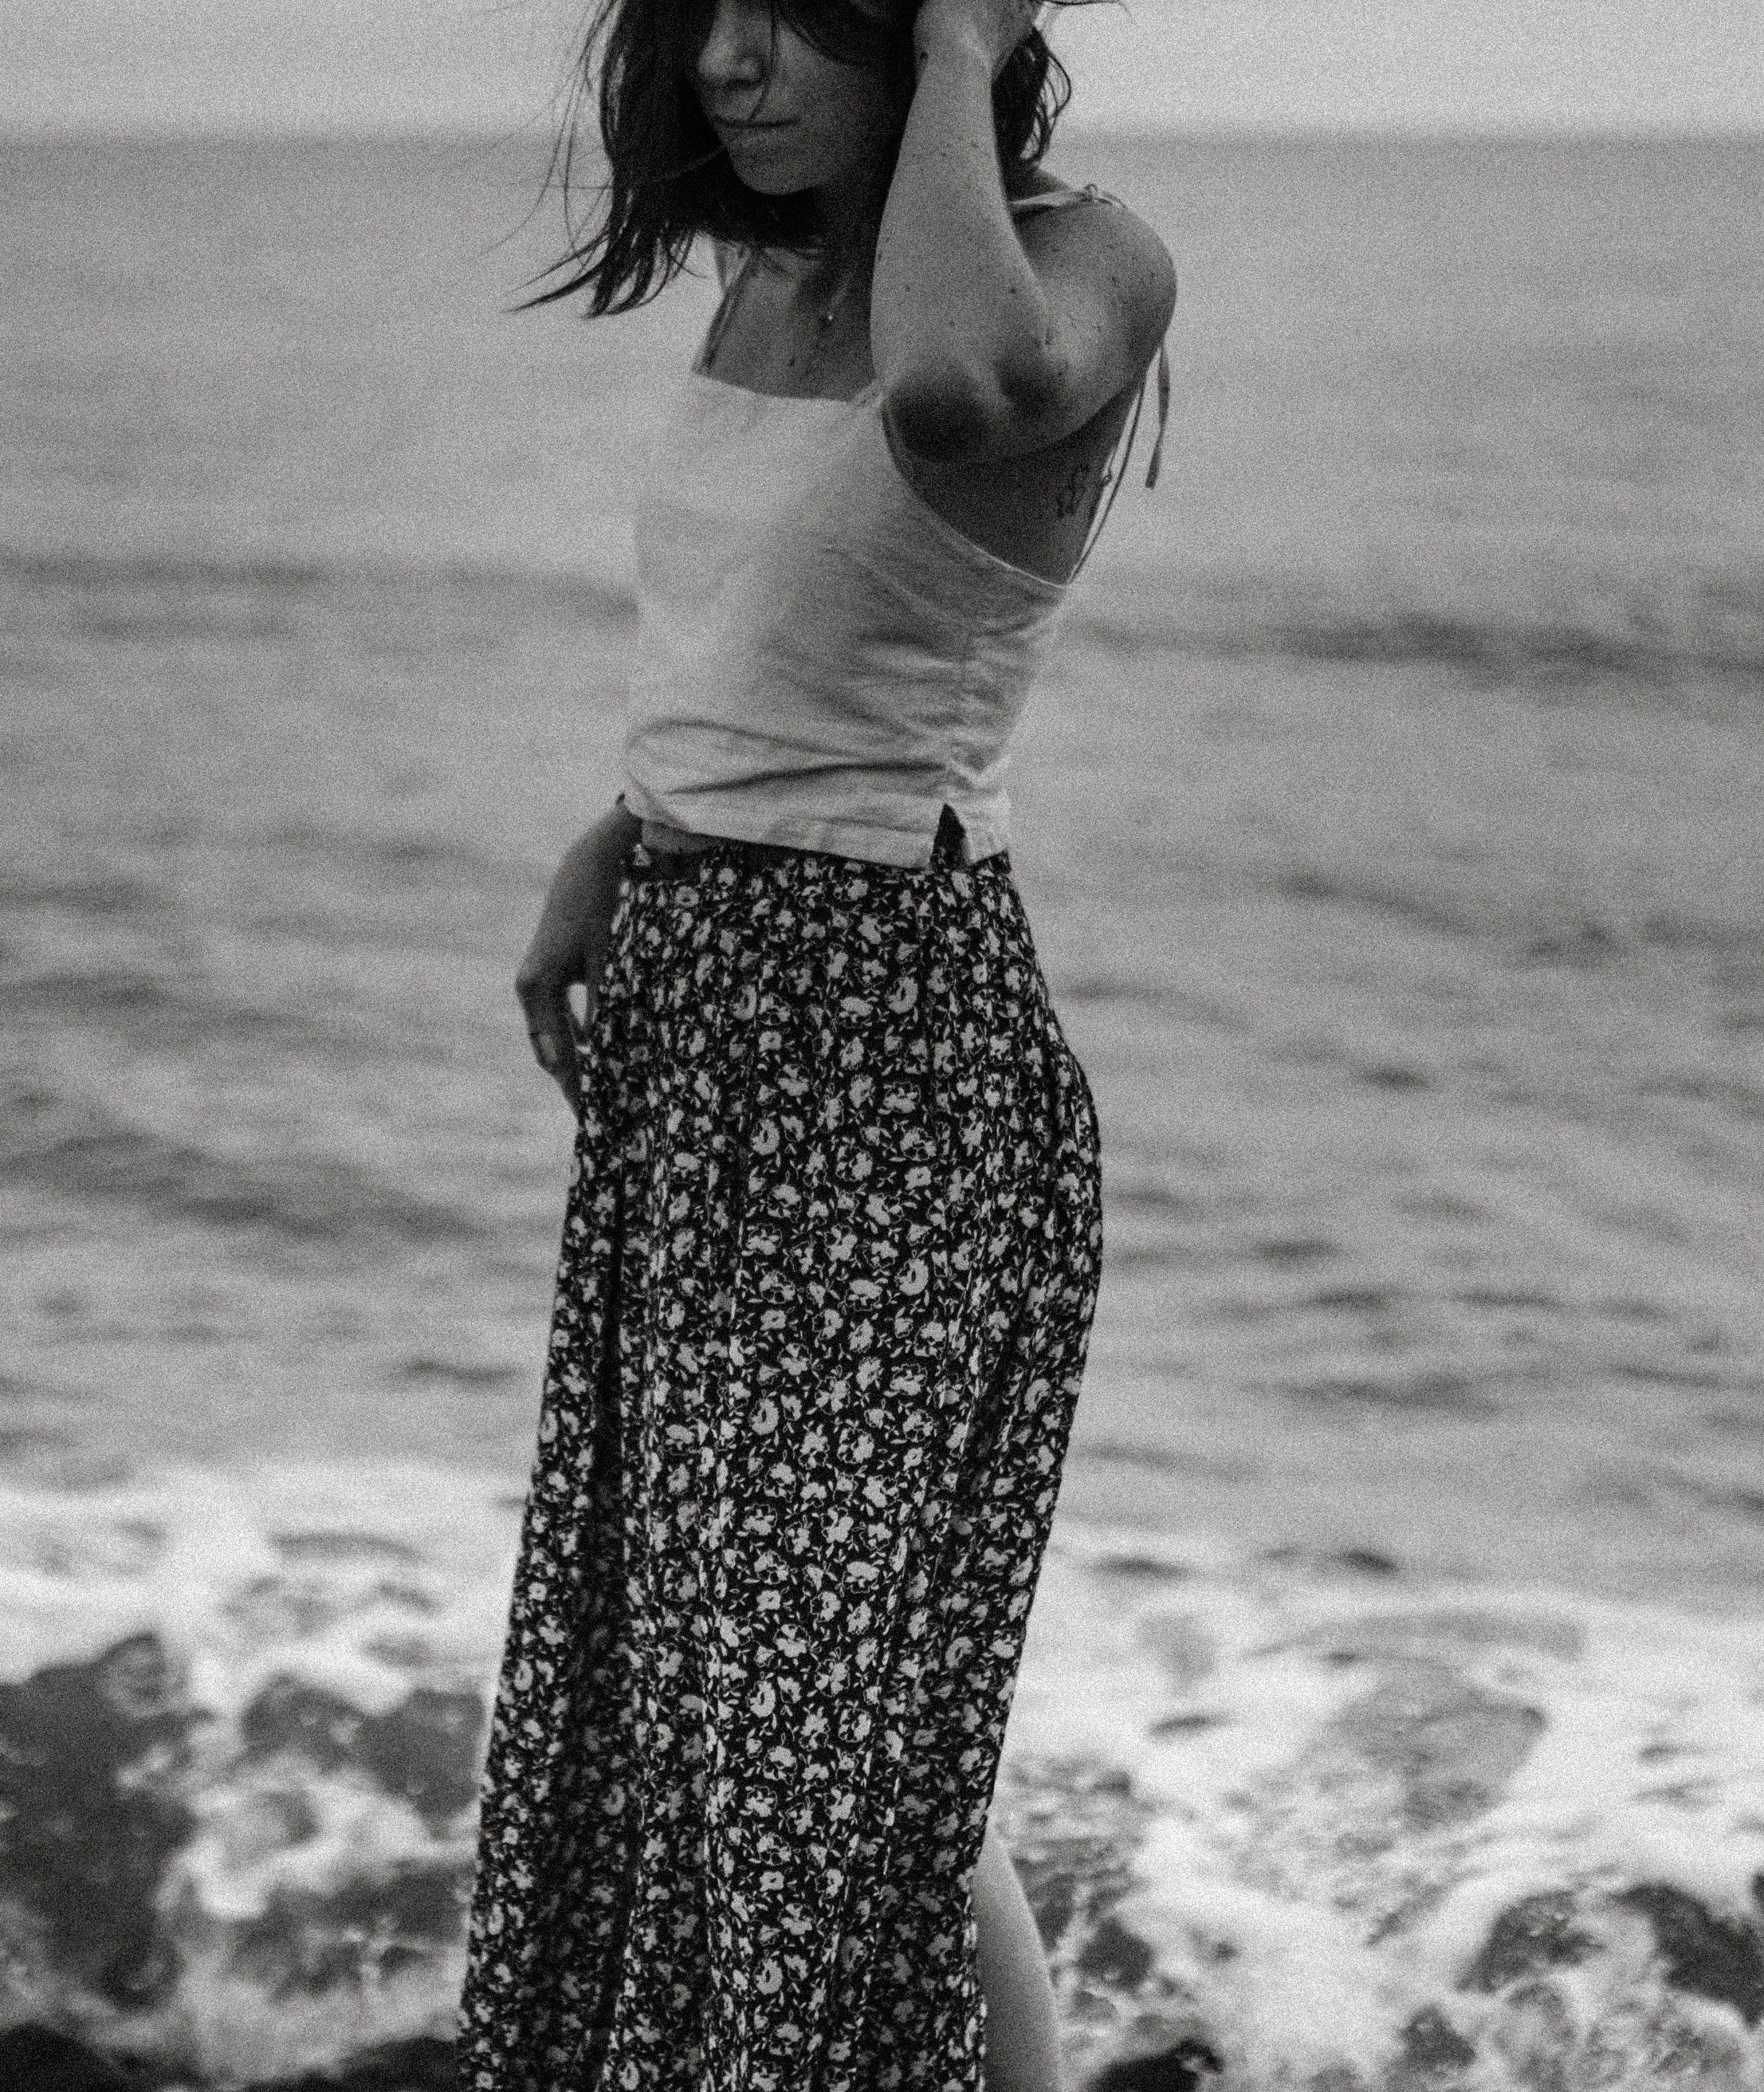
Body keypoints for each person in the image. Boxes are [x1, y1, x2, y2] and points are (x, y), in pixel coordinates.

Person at [456, 0, 1173, 2081]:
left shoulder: (1089, 258)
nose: (725, 68)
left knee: (815, 1701)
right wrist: (622, 836)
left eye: (798, 16)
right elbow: (782, 652)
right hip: (699, 1015)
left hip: (885, 1045)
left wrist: (956, 49)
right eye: (710, 20)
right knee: (723, 1684)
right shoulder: (767, 274)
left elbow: (964, 395)